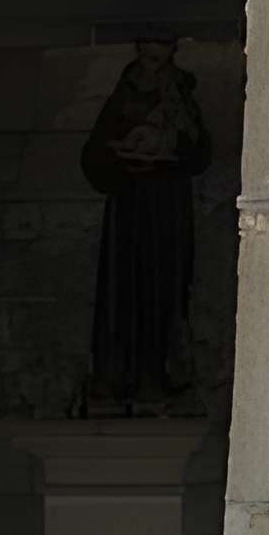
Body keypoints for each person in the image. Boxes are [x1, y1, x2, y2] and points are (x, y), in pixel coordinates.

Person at [80, 34, 212, 410]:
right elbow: (95, 155)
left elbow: (199, 151)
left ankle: (160, 375)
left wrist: (172, 151)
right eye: (148, 56)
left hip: (166, 208)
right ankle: (117, 375)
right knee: (123, 289)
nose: (153, 66)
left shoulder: (181, 96)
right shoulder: (123, 96)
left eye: (160, 57)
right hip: (130, 207)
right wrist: (122, 159)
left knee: (165, 289)